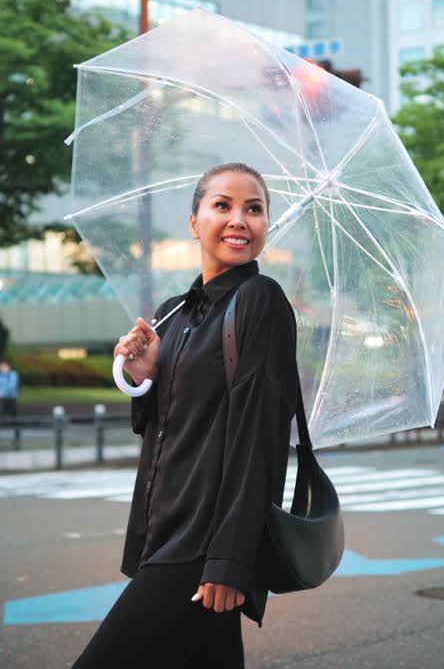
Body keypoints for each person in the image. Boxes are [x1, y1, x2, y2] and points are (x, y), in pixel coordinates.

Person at [73, 163, 300, 668]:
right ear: (195, 221)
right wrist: (145, 375)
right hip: (163, 530)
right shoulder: (175, 312)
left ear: (267, 225)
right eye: (222, 205)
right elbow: (165, 426)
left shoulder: (260, 302)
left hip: (203, 544)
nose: (239, 219)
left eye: (254, 208)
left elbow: (259, 435)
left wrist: (231, 559)